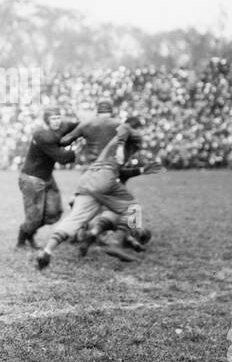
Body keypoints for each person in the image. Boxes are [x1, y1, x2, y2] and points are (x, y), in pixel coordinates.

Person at [34, 117, 148, 271]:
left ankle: (47, 251)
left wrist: (140, 169)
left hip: (88, 179)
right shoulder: (130, 132)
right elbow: (125, 129)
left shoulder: (113, 143)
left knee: (75, 219)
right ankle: (115, 242)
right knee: (133, 208)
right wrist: (121, 146)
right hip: (104, 178)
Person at [16, 108, 77, 250]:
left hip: (47, 177)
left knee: (54, 213)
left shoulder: (60, 128)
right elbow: (62, 158)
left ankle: (30, 233)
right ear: (47, 120)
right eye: (53, 119)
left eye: (58, 117)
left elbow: (76, 126)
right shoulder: (42, 136)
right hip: (32, 180)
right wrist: (78, 149)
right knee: (34, 217)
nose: (57, 121)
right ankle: (21, 239)